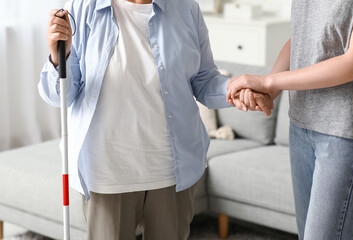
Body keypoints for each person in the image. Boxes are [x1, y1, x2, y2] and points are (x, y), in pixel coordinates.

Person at [39, 0, 273, 239]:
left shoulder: (186, 8)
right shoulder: (81, 8)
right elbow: (60, 96)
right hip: (107, 174)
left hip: (171, 171)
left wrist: (235, 90)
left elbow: (204, 80)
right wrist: (60, 56)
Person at [227, 1, 353, 239]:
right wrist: (269, 92)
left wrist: (268, 83)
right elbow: (298, 39)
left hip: (342, 133)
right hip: (300, 124)